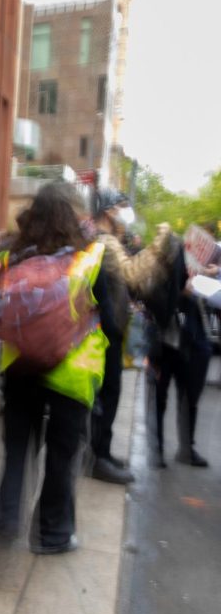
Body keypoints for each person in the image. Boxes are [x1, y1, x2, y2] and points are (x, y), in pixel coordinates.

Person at [0, 184, 114, 554]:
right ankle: (53, 534)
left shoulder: (10, 255)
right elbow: (111, 319)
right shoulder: (90, 257)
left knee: (17, 450)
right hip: (72, 372)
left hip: (20, 366)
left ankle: (7, 521)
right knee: (62, 457)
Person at [87, 188, 176, 481]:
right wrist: (160, 244)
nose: (126, 214)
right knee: (108, 393)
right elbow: (133, 275)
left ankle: (100, 452)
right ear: (109, 211)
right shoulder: (106, 242)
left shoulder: (104, 239)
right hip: (105, 331)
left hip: (103, 328)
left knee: (106, 393)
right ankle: (99, 457)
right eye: (122, 207)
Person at [142, 225, 210, 468]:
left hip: (186, 342)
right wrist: (180, 292)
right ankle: (158, 449)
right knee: (160, 398)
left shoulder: (187, 268)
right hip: (165, 342)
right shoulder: (157, 269)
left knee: (188, 396)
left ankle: (185, 448)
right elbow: (154, 301)